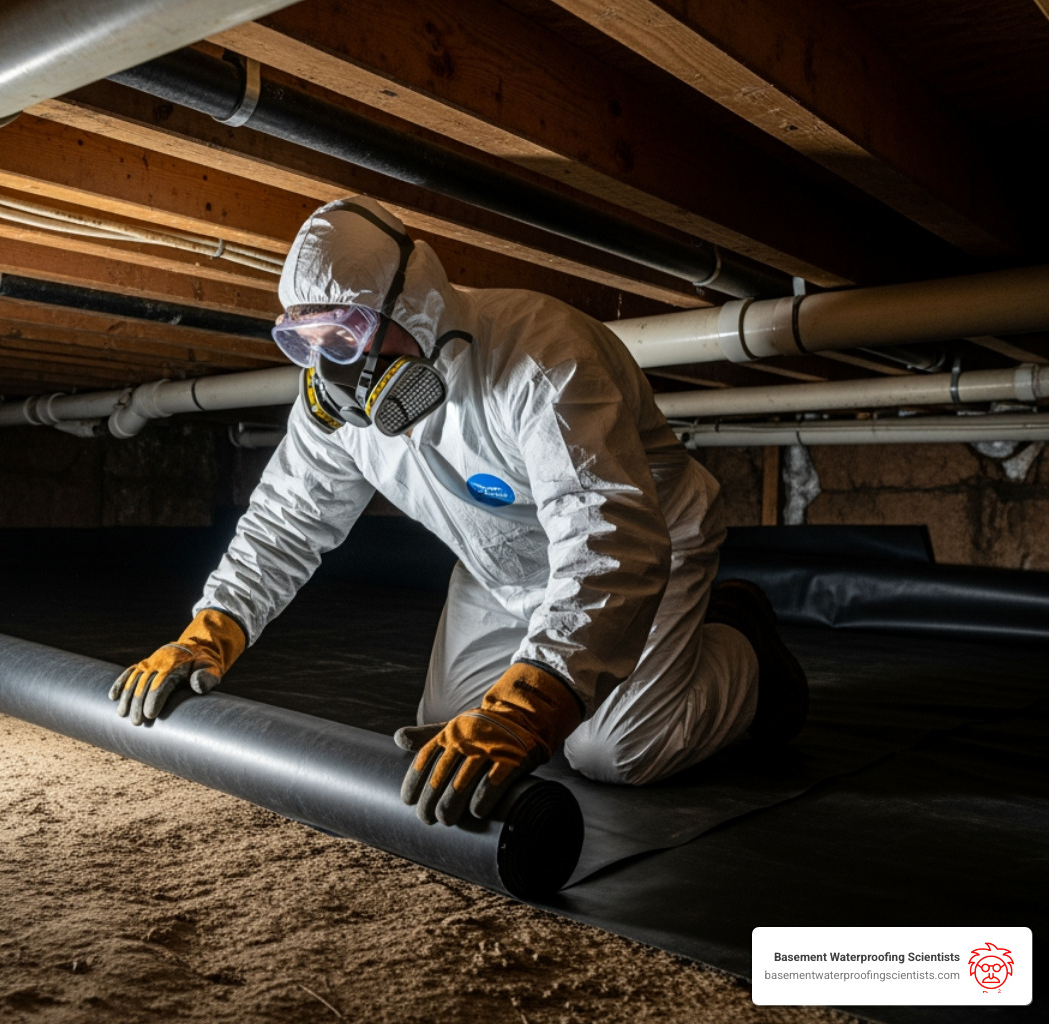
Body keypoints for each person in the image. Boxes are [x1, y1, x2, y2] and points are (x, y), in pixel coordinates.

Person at [109, 196, 806, 827]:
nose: (335, 369)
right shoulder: (335, 408)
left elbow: (606, 536)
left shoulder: (539, 355)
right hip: (499, 566)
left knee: (615, 751)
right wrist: (210, 630)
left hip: (646, 544)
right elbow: (288, 518)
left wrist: (532, 706)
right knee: (450, 728)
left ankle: (741, 642)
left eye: (349, 334)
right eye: (308, 341)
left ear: (417, 310)